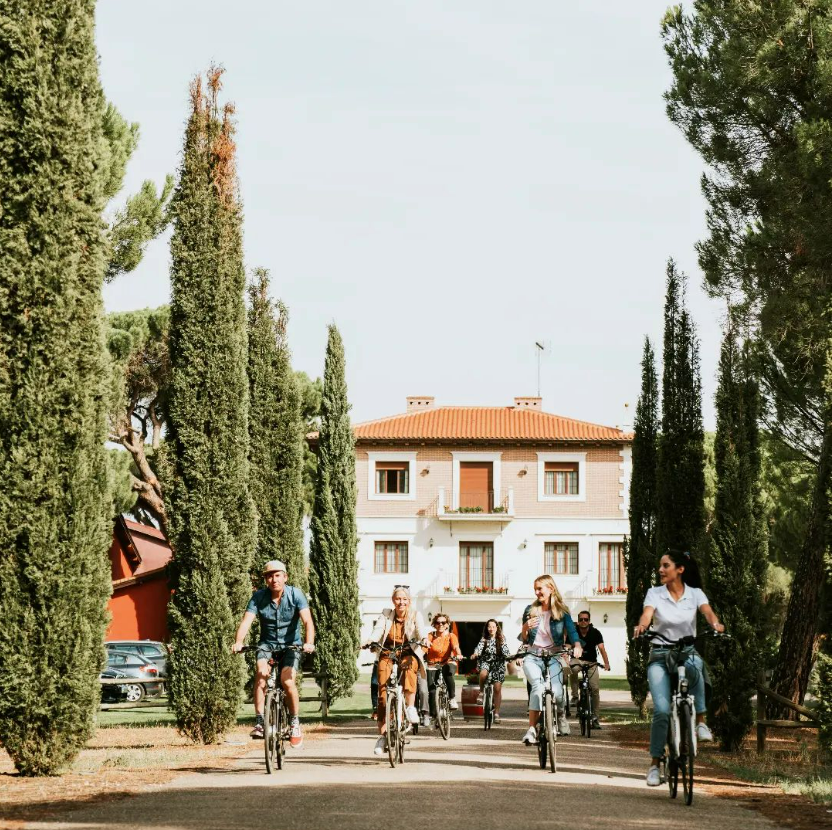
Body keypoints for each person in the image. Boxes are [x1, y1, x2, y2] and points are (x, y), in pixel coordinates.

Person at [633, 549, 724, 787]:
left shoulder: (695, 594)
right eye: (660, 566)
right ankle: (654, 764)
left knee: (696, 664)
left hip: (686, 651)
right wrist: (642, 626)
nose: (660, 570)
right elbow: (647, 614)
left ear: (679, 569)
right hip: (660, 656)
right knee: (662, 711)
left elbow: (707, 612)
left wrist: (715, 624)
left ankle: (701, 722)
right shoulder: (655, 593)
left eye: (665, 566)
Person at [232, 560, 315, 747]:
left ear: (285, 577)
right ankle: (260, 722)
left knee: (287, 681)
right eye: (269, 576)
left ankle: (294, 722)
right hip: (267, 645)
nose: (274, 579)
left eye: (278, 575)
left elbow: (307, 622)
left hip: (291, 646)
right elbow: (246, 621)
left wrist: (308, 643)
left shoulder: (296, 595)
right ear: (265, 579)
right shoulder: (258, 597)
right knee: (261, 676)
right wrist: (238, 642)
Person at [365, 586, 429, 756]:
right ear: (393, 600)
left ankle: (410, 707)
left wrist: (423, 640)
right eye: (398, 599)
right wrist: (371, 641)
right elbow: (378, 630)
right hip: (387, 653)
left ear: (409, 601)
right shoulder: (386, 614)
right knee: (383, 696)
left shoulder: (415, 615)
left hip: (407, 652)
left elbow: (420, 631)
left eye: (404, 599)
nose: (401, 602)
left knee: (409, 670)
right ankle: (383, 736)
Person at [520, 574, 582, 745]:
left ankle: (560, 715)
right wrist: (525, 627)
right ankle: (532, 729)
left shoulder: (562, 612)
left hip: (554, 655)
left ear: (551, 589)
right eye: (535, 589)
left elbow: (572, 631)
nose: (537, 593)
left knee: (558, 692)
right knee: (538, 687)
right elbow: (524, 638)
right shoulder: (530, 610)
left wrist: (576, 645)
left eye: (540, 589)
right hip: (533, 656)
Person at [568, 610, 610, 729]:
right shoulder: (573, 632)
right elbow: (567, 646)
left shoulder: (595, 633)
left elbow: (602, 649)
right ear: (578, 621)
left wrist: (606, 663)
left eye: (586, 619)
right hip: (577, 660)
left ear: (589, 621)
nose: (583, 622)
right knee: (573, 669)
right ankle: (575, 696)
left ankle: (595, 718)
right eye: (581, 619)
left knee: (595, 689)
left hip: (591, 662)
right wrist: (567, 652)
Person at [471, 619, 511, 723]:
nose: (491, 629)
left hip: (498, 665)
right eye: (489, 626)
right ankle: (481, 692)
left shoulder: (501, 638)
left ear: (497, 628)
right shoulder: (484, 639)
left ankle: (497, 713)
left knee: (497, 688)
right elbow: (478, 648)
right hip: (486, 662)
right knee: (483, 674)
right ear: (487, 628)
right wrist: (475, 654)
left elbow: (505, 649)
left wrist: (508, 656)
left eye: (493, 626)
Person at [425, 613, 463, 719]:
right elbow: (425, 646)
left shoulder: (451, 636)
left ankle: (452, 698)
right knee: (432, 690)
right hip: (432, 664)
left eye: (443, 622)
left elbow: (456, 647)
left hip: (447, 662)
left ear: (447, 624)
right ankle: (434, 715)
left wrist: (458, 654)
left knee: (448, 671)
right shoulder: (430, 635)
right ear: (434, 624)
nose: (440, 624)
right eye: (437, 622)